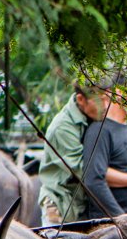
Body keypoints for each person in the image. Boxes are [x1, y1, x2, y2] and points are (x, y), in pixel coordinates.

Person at [79, 74, 127, 220]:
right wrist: (121, 220)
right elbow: (94, 181)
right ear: (119, 92)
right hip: (116, 232)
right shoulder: (100, 131)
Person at [37, 80, 109, 223]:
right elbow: (87, 172)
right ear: (81, 100)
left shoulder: (96, 118)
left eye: (107, 100)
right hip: (62, 207)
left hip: (86, 205)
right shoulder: (62, 128)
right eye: (100, 101)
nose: (106, 106)